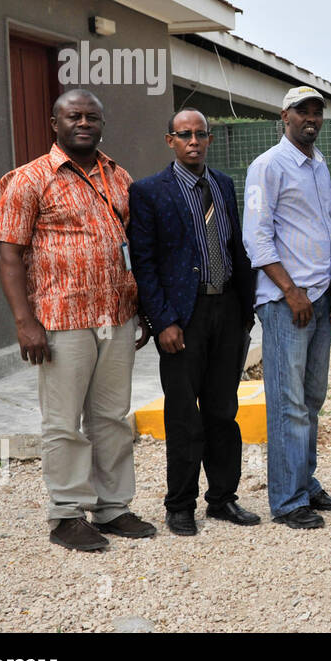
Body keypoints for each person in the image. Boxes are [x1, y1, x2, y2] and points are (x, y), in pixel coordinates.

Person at [0, 88, 155, 551]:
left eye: (92, 117)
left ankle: (113, 507)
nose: (84, 123)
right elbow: (9, 255)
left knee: (112, 418)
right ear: (54, 123)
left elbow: (133, 247)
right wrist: (25, 321)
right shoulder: (29, 179)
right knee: (63, 422)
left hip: (117, 314)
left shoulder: (119, 176)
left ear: (102, 123)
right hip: (61, 319)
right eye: (74, 116)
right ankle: (65, 514)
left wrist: (141, 307)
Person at [128, 109, 260, 536]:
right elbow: (144, 264)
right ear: (170, 140)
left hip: (228, 310)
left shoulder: (221, 184)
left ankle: (222, 498)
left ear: (209, 139)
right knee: (183, 415)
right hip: (183, 317)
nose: (193, 141)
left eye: (201, 134)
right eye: (184, 134)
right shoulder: (149, 192)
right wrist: (162, 320)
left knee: (223, 412)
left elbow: (235, 246)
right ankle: (180, 504)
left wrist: (246, 309)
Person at [243, 85, 331, 529]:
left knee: (311, 397)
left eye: (317, 112)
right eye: (302, 111)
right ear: (284, 116)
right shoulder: (267, 166)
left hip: (319, 300)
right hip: (288, 304)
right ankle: (287, 501)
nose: (311, 118)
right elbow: (256, 238)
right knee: (287, 402)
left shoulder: (320, 166)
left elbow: (330, 230)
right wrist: (291, 291)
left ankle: (304, 482)